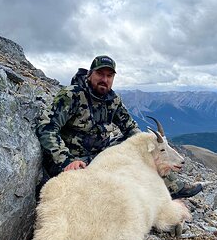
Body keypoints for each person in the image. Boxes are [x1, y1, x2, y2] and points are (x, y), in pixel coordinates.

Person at [36, 55, 204, 199]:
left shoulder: (112, 99)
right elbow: (47, 127)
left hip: (100, 153)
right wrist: (66, 160)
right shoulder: (72, 95)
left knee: (147, 144)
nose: (105, 79)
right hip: (74, 159)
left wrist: (144, 149)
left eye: (109, 75)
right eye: (100, 74)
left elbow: (130, 128)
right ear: (90, 74)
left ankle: (172, 187)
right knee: (94, 191)